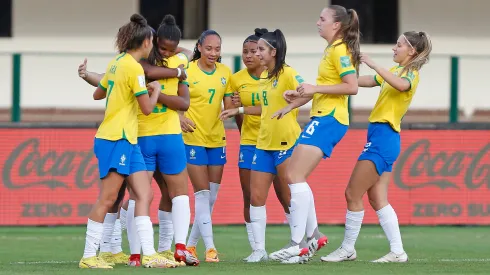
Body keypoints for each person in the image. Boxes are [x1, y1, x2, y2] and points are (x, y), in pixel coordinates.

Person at [77, 16, 197, 267]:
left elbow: (98, 93)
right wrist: (155, 92)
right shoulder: (133, 67)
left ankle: (150, 254)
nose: (154, 46)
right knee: (108, 198)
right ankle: (89, 256)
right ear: (145, 41)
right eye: (152, 41)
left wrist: (111, 86)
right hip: (116, 137)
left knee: (144, 194)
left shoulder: (117, 62)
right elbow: (145, 109)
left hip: (129, 138)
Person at [321, 31, 432, 263]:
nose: (394, 48)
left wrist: (372, 63)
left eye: (399, 44)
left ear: (411, 51)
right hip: (382, 137)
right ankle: (398, 251)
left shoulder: (410, 73)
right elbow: (367, 82)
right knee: (377, 198)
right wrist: (341, 77)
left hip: (384, 137)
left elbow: (401, 85)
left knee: (352, 192)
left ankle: (348, 248)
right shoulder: (394, 71)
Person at [268, 5, 361, 263]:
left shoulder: (340, 49)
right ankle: (308, 241)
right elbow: (329, 88)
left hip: (330, 120)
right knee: (295, 176)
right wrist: (297, 98)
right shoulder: (332, 49)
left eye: (322, 19)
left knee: (294, 174)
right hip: (324, 117)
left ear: (337, 25)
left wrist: (314, 87)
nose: (317, 22)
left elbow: (351, 87)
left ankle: (298, 243)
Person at [220, 29, 305, 263]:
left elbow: (307, 90)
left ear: (272, 52)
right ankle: (259, 250)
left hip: (286, 141)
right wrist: (238, 110)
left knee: (289, 196)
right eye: (251, 50)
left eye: (259, 50)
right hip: (262, 143)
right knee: (255, 196)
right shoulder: (266, 77)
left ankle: (300, 246)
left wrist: (291, 105)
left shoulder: (287, 72)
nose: (254, 54)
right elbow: (264, 108)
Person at [181, 30, 233, 263]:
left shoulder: (225, 72)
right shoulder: (187, 71)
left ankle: (191, 246)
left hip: (217, 139)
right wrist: (179, 117)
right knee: (201, 195)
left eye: (217, 49)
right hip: (192, 138)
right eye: (209, 48)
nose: (214, 53)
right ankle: (210, 248)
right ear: (200, 47)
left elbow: (228, 105)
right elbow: (174, 100)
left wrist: (234, 106)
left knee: (210, 198)